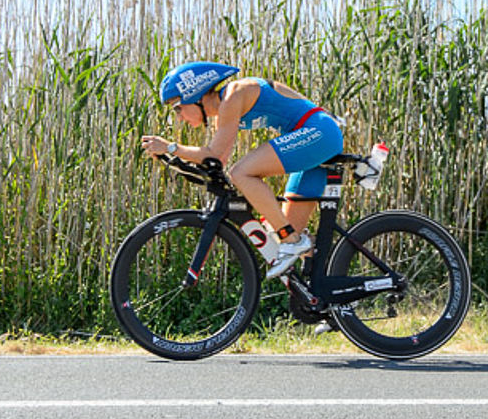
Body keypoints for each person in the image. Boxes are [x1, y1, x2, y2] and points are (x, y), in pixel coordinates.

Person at [140, 61, 343, 278]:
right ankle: (325, 299)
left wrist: (171, 147)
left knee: (242, 174)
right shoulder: (225, 111)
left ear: (194, 95)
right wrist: (176, 161)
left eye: (178, 107)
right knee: (284, 229)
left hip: (318, 132)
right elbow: (216, 162)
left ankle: (292, 240)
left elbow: (214, 154)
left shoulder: (234, 95)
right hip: (311, 140)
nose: (179, 117)